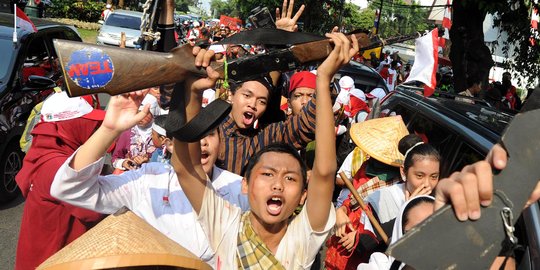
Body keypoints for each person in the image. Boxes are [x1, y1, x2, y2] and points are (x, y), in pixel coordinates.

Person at [169, 31, 358, 268]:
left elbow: (324, 172)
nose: (277, 184)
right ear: (245, 184)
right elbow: (185, 167)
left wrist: (323, 77)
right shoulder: (225, 225)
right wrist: (192, 91)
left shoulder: (301, 239)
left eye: (290, 178)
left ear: (302, 195)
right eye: (267, 174)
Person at [51, 92, 249, 266]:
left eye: (210, 134)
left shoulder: (238, 188)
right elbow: (69, 188)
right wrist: (110, 130)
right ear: (170, 144)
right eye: (192, 135)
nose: (203, 143)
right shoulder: (149, 180)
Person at [15, 91, 106, 270]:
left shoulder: (41, 151)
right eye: (86, 121)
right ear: (69, 124)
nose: (93, 127)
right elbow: (93, 209)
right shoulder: (57, 166)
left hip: (39, 255)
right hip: (54, 258)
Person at [111, 94, 160, 171]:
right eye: (136, 112)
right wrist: (124, 162)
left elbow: (166, 160)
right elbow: (115, 158)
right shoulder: (127, 132)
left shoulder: (160, 134)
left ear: (153, 113)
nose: (139, 116)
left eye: (144, 113)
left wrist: (149, 162)